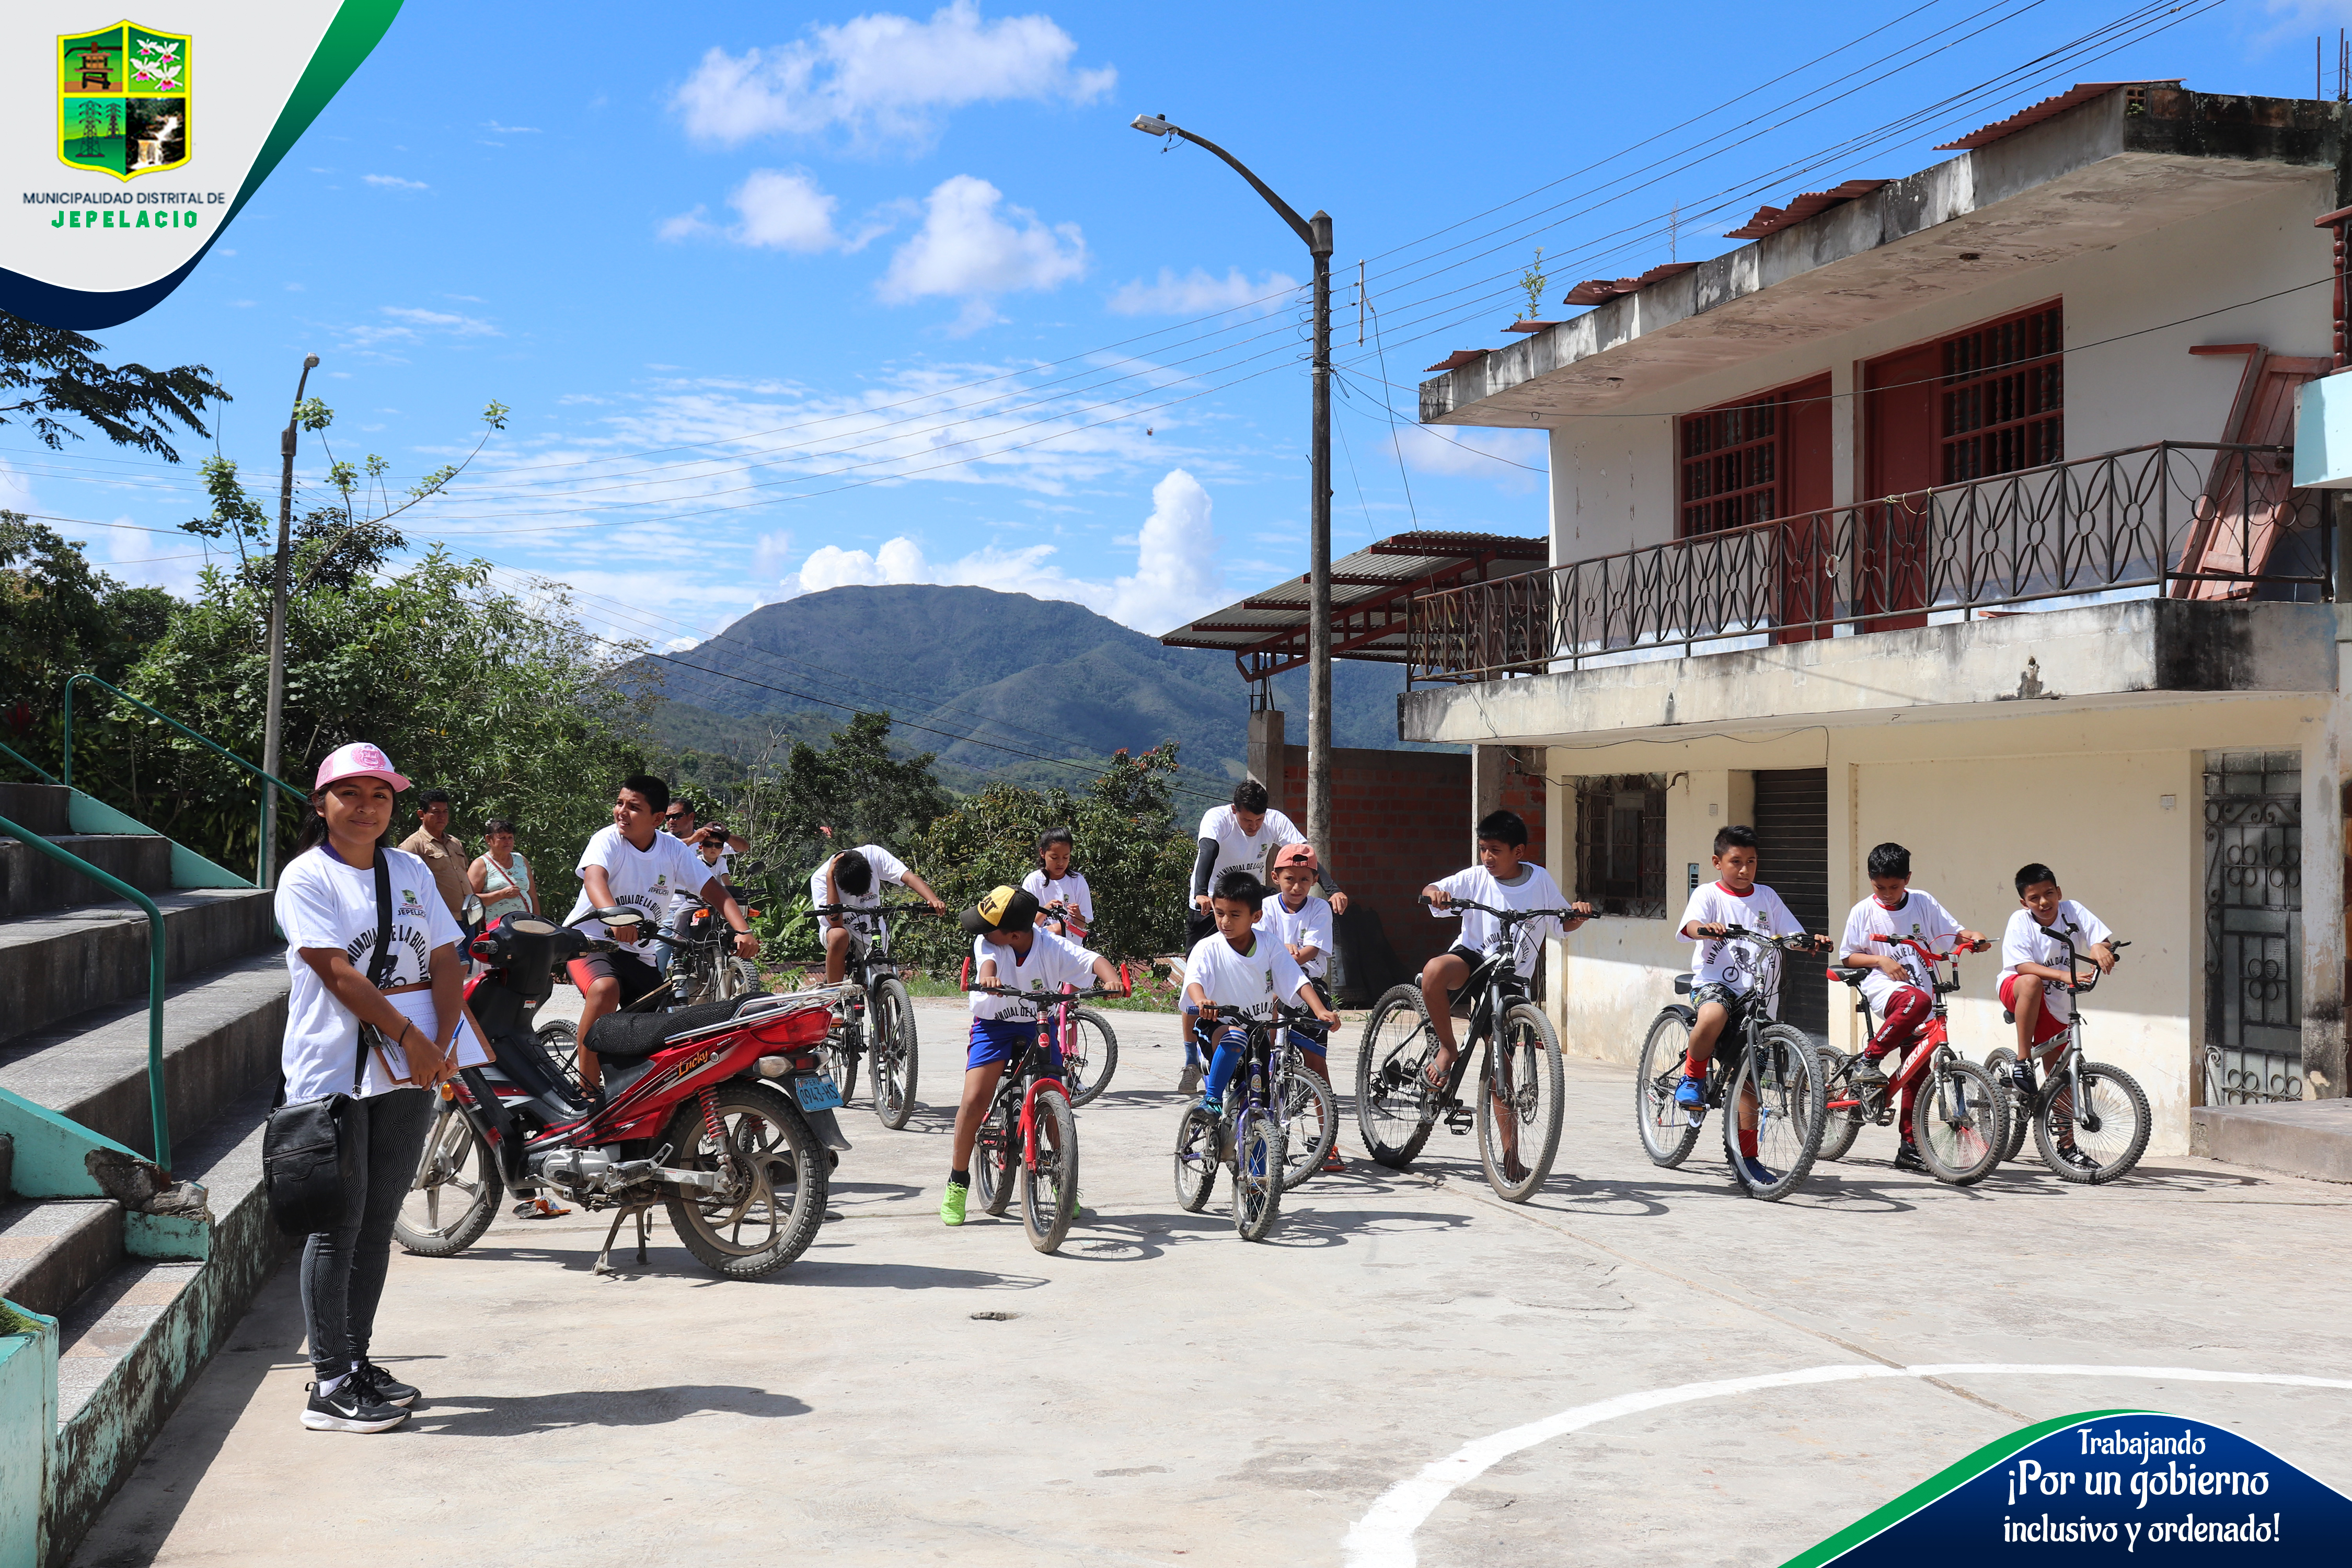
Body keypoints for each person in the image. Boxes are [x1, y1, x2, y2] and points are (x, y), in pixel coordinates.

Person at [275, 742, 491, 1433]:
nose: (367, 807)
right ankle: (329, 1387)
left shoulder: (408, 869)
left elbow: (446, 953)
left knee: (375, 1227)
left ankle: (356, 1364)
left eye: (381, 796)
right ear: (322, 803)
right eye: (351, 794)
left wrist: (447, 1040)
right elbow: (339, 974)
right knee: (337, 1230)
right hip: (336, 1071)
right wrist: (413, 1039)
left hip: (412, 1068)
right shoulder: (306, 879)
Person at [939, 885, 1125, 1226]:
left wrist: (1111, 979)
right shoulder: (989, 943)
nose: (981, 932)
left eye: (987, 925)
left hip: (1035, 1022)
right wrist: (988, 979)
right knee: (975, 1098)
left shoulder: (1050, 946)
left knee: (1055, 1099)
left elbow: (1092, 960)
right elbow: (987, 966)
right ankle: (958, 1180)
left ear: (1013, 934)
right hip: (993, 1024)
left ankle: (1062, 1182)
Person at [566, 775, 758, 1094]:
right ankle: (586, 1090)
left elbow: (717, 892)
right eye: (619, 804)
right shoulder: (608, 839)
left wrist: (743, 930)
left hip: (639, 953)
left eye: (633, 808)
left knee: (660, 1029)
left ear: (656, 819)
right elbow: (594, 880)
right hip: (590, 943)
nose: (621, 812)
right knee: (605, 991)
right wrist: (615, 917)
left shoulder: (672, 850)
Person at [1671, 824, 1832, 1186]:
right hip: (1717, 984)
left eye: (1752, 862)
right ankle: (1693, 1077)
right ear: (1718, 862)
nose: (1745, 870)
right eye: (1736, 862)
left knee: (1750, 1083)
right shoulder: (1708, 893)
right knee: (1713, 1013)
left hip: (1759, 996)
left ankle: (1747, 1159)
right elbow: (1691, 925)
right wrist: (1705, 929)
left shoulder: (1767, 897)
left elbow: (1790, 935)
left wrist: (1810, 941)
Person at [1838, 843, 1987, 1174]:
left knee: (1916, 1070)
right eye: (1880, 887)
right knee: (1916, 1002)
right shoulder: (1864, 911)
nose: (1889, 894)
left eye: (1895, 886)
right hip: (1885, 989)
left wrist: (1972, 938)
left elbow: (1954, 935)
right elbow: (1848, 956)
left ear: (1908, 878)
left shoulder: (1923, 902)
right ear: (1870, 879)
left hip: (1922, 988)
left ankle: (1910, 1147)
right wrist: (1880, 959)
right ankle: (1869, 1059)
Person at [1418, 810, 1590, 1091]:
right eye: (1483, 849)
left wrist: (1578, 915)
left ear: (1518, 852)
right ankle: (1448, 1048)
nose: (1487, 857)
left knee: (1502, 1070)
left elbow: (1561, 921)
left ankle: (1509, 1138)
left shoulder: (1540, 880)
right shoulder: (1476, 878)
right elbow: (1431, 888)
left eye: (1495, 851)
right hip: (1473, 961)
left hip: (1510, 977)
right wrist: (1436, 895)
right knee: (1434, 970)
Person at [1184, 868, 1340, 1119]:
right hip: (1218, 1029)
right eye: (1220, 913)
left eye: (1235, 915)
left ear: (1256, 916)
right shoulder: (1207, 947)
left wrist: (1321, 1010)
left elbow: (1296, 980)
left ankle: (1256, 1155)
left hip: (1258, 1036)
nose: (1225, 922)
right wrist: (1201, 1000)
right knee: (1234, 1037)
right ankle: (1211, 1100)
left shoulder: (1269, 944)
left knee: (1261, 1109)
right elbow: (1194, 981)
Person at [1998, 863, 2119, 1150]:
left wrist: (2101, 947)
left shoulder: (2073, 910)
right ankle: (2022, 1060)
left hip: (2058, 1002)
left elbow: (2099, 940)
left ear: (2059, 892)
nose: (2043, 902)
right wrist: (2066, 975)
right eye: (2035, 897)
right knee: (2031, 982)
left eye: (2049, 893)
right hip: (2018, 989)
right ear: (2024, 902)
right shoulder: (2020, 921)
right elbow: (2022, 965)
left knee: (2061, 1078)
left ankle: (2066, 1147)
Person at [1258, 842, 1347, 1172]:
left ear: (1314, 881)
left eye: (1305, 881)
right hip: (1269, 985)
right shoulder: (1265, 907)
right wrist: (1283, 951)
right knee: (1261, 1060)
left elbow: (1312, 950)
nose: (1297, 887)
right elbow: (1259, 945)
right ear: (1276, 877)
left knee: (1317, 1067)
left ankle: (1328, 1141)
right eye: (1289, 879)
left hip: (1308, 987)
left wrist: (1286, 953)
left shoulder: (1319, 909)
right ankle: (1260, 1131)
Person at [1187, 779, 1349, 946]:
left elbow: (1306, 856)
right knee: (1200, 960)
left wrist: (1333, 891)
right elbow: (1208, 850)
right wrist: (1201, 893)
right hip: (1213, 901)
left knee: (1252, 959)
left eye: (1259, 819)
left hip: (1247, 901)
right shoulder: (1218, 819)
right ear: (1234, 810)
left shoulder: (1275, 820)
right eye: (1247, 820)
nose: (1254, 826)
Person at [812, 843, 946, 984]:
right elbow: (836, 922)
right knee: (839, 935)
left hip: (871, 928)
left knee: (874, 984)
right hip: (840, 928)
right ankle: (834, 995)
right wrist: (830, 879)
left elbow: (906, 877)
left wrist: (933, 900)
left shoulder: (873, 855)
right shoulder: (820, 879)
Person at [400, 788, 470, 926]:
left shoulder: (455, 843)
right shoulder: (412, 846)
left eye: (445, 812)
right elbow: (405, 888)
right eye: (436, 812)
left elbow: (464, 877)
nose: (442, 816)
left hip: (469, 918)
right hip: (439, 922)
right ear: (422, 814)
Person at [1022, 826, 1093, 941]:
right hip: (1041, 949)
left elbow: (1081, 925)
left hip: (1070, 951)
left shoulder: (1078, 881)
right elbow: (1027, 926)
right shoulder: (1033, 881)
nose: (1061, 863)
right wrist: (1046, 910)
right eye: (1054, 858)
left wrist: (1077, 915)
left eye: (1066, 857)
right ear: (1043, 853)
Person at [467, 817, 537, 927]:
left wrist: (538, 923)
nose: (508, 842)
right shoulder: (480, 864)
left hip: (525, 927)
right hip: (496, 929)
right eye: (502, 838)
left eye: (510, 838)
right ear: (489, 839)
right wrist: (501, 894)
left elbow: (532, 896)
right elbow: (470, 901)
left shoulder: (521, 860)